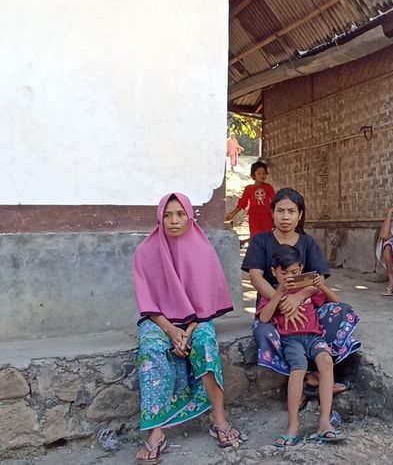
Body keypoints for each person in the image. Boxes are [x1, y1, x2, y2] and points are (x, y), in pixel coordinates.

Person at [133, 193, 239, 465]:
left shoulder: (202, 250)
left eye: (180, 214)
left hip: (196, 321)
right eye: (167, 215)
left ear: (190, 216)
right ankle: (156, 430)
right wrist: (171, 331)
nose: (173, 220)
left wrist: (187, 332)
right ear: (159, 218)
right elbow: (148, 302)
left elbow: (205, 305)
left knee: (205, 342)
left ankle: (218, 418)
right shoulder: (146, 251)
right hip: (160, 321)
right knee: (151, 349)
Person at [243, 188, 360, 387]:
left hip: (306, 307)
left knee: (343, 311)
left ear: (300, 215)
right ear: (272, 213)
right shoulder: (260, 241)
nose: (285, 217)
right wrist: (282, 303)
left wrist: (297, 298)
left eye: (291, 211)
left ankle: (316, 371)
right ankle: (303, 376)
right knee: (263, 332)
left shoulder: (307, 242)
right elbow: (255, 277)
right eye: (280, 211)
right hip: (271, 307)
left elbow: (319, 278)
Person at [258, 245, 343, 446]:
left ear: (302, 269)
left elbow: (337, 303)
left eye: (295, 272)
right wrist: (279, 293)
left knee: (326, 360)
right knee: (298, 367)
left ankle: (324, 422)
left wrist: (321, 286)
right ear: (274, 272)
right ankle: (293, 426)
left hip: (314, 337)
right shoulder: (272, 294)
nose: (290, 277)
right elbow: (264, 317)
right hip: (290, 340)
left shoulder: (307, 291)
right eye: (284, 273)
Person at [226, 160, 275, 246]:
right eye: (259, 173)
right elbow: (242, 203)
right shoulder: (248, 189)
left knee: (267, 237)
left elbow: (275, 201)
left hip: (267, 216)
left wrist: (276, 217)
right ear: (253, 175)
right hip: (254, 217)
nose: (262, 176)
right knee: (255, 237)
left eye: (264, 173)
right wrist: (232, 214)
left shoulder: (268, 187)